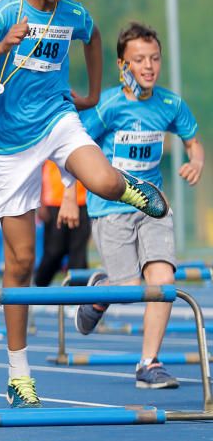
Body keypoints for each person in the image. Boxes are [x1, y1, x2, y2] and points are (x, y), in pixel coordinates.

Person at [0, 0, 170, 409]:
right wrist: (0, 47)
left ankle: (132, 190)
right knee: (21, 262)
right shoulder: (5, 13)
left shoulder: (73, 13)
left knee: (107, 180)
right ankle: (18, 374)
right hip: (7, 143)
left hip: (57, 118)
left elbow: (93, 37)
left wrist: (90, 93)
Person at [74, 23, 204, 389]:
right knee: (129, 287)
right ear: (122, 65)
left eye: (154, 59)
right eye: (139, 60)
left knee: (162, 281)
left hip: (152, 205)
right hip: (110, 207)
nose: (148, 66)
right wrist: (70, 194)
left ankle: (149, 363)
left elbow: (193, 142)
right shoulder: (109, 106)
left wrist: (195, 161)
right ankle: (102, 290)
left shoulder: (170, 104)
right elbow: (77, 150)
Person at [33, 160, 89, 286]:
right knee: (54, 251)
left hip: (82, 202)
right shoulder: (47, 141)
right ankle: (38, 287)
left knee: (78, 254)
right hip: (54, 203)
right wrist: (41, 202)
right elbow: (39, 168)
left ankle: (78, 297)